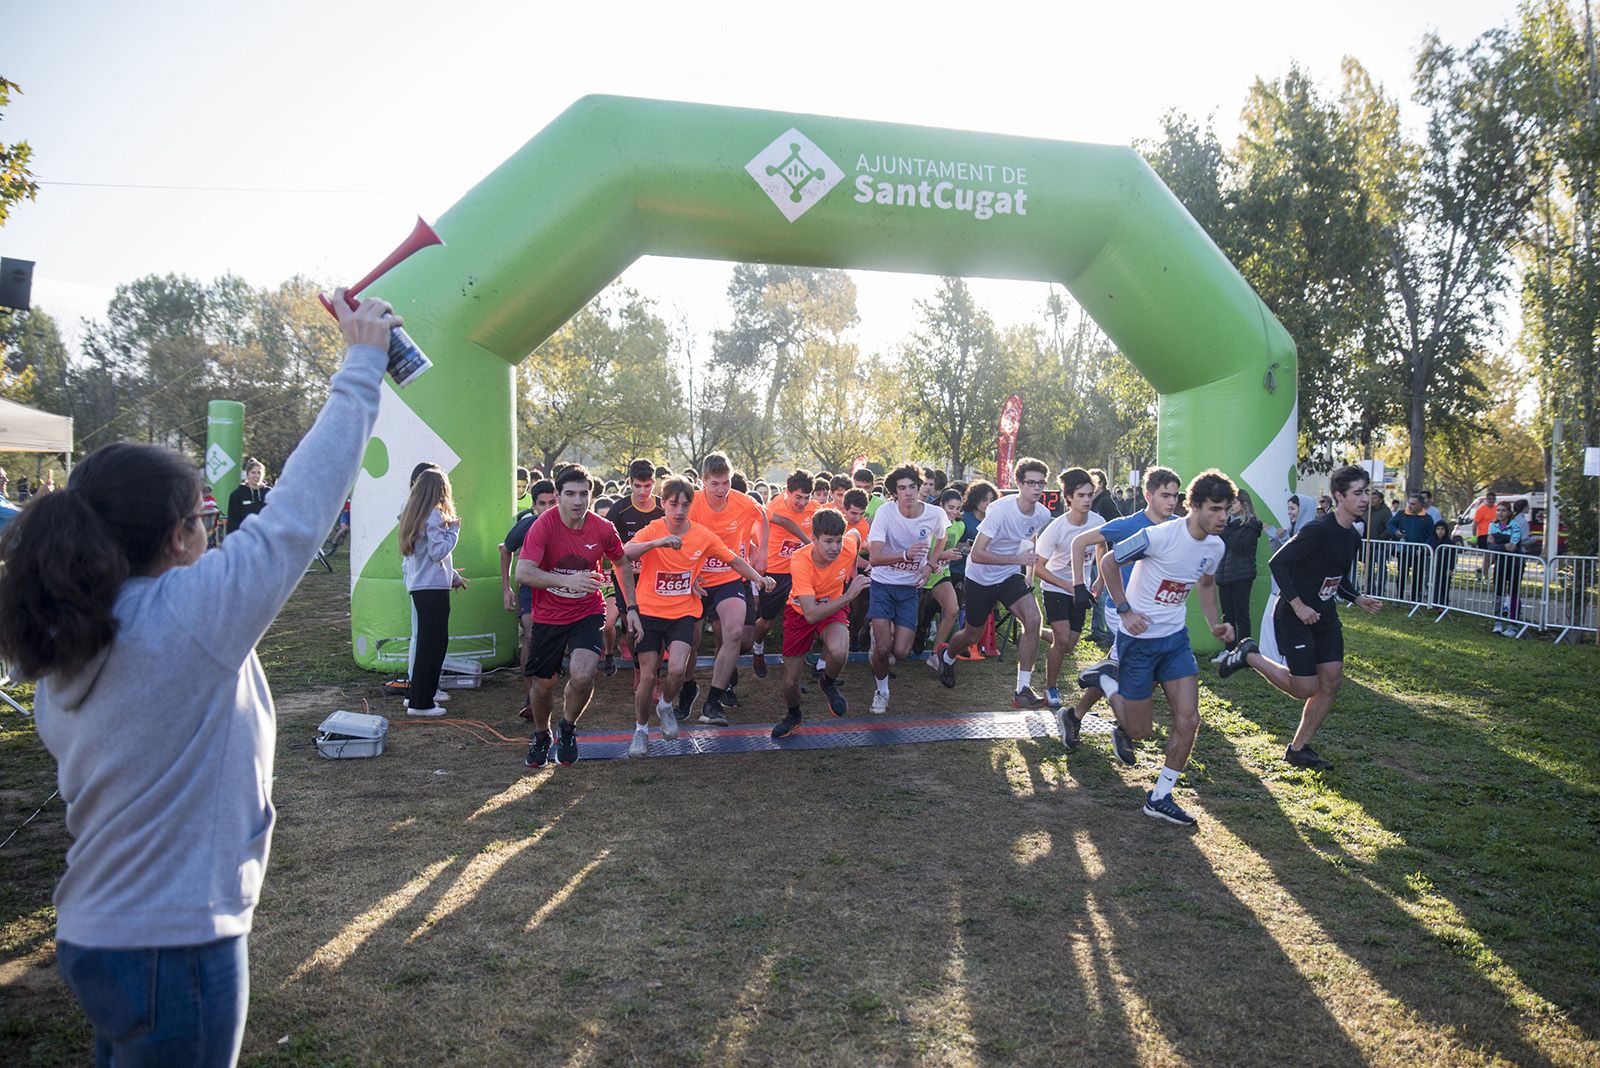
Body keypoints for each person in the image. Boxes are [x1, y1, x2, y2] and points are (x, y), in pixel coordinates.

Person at [0, 290, 391, 1066]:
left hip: (96, 935)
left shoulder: (68, 631)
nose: (214, 533)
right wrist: (362, 363)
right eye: (205, 520)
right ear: (180, 537)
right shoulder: (188, 620)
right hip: (173, 950)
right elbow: (298, 513)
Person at [1067, 471, 1235, 825]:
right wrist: (1125, 610)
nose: (1224, 517)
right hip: (1138, 642)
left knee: (1189, 720)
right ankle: (1107, 680)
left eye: (1227, 510)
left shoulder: (1216, 545)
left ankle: (1160, 796)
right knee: (1140, 732)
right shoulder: (1158, 536)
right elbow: (1110, 561)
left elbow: (1205, 583)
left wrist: (1213, 623)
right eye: (1216, 509)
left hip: (1174, 641)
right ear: (1196, 506)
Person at [1218, 464, 1383, 770]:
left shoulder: (1352, 537)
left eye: (1366, 492)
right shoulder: (1318, 530)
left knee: (1331, 682)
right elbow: (1278, 563)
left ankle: (1298, 748)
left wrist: (1357, 597)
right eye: (1358, 493)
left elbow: (1337, 578)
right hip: (1293, 615)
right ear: (1338, 496)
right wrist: (1297, 605)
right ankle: (1249, 655)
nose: (1364, 499)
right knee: (1305, 687)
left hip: (1325, 616)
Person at [625, 478, 773, 756]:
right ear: (663, 504)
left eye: (685, 504)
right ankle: (641, 730)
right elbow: (624, 552)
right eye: (673, 504)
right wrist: (657, 543)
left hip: (682, 612)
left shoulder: (702, 535)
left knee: (678, 670)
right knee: (647, 677)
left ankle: (667, 705)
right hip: (649, 614)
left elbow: (733, 559)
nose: (679, 510)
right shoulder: (653, 529)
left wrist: (758, 578)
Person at [516, 464, 637, 768]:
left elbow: (621, 563)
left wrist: (631, 607)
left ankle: (567, 729)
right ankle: (542, 735)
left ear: (591, 495)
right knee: (543, 686)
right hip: (549, 615)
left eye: (584, 494)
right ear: (557, 496)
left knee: (583, 676)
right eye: (570, 494)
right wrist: (566, 581)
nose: (577, 501)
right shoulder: (544, 525)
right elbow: (523, 571)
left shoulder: (602, 528)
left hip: (587, 610)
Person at [1064, 467, 1181, 752]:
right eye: (1165, 495)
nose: (1171, 501)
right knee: (1136, 670)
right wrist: (1081, 584)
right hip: (1123, 610)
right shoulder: (1129, 524)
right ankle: (1125, 728)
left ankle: (1075, 715)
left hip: (1156, 614)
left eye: (1176, 496)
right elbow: (1079, 542)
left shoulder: (1179, 525)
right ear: (1148, 495)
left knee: (1130, 673)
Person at [936, 458, 1052, 708]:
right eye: (1031, 483)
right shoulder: (1000, 510)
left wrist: (1028, 572)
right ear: (1019, 483)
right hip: (980, 576)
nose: (1036, 488)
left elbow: (1030, 536)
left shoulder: (1043, 513)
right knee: (972, 634)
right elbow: (977, 553)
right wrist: (1017, 558)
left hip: (1009, 575)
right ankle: (946, 655)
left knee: (1033, 620)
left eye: (1041, 483)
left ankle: (1023, 689)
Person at [772, 508, 872, 738]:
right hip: (801, 612)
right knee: (790, 682)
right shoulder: (800, 561)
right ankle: (794, 715)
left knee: (838, 651)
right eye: (828, 541)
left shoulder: (847, 545)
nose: (834, 547)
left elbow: (855, 536)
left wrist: (853, 568)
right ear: (814, 539)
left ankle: (827, 682)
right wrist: (849, 594)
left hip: (833, 607)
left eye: (838, 541)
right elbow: (810, 614)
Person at [688, 452, 769, 725]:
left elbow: (764, 518)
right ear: (703, 482)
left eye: (726, 483)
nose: (722, 490)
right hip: (696, 581)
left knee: (736, 635)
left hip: (730, 577)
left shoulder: (743, 503)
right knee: (693, 642)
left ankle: (712, 703)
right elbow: (676, 535)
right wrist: (689, 574)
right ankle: (687, 688)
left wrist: (763, 550)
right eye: (715, 484)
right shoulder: (692, 504)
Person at [866, 465, 949, 714]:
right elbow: (875, 558)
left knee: (901, 652)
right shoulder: (885, 513)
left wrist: (930, 565)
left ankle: (880, 645)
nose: (909, 492)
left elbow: (942, 537)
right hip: (882, 584)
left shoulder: (934, 514)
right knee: (882, 649)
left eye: (913, 486)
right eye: (902, 488)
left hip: (910, 588)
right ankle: (881, 690)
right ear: (894, 492)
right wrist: (904, 554)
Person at [1033, 467, 1104, 717]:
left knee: (1070, 645)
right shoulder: (1056, 529)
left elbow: (1101, 547)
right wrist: (1070, 586)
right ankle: (1051, 689)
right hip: (1056, 587)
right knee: (1062, 641)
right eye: (1081, 495)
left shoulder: (1097, 522)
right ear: (1069, 498)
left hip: (1081, 588)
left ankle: (1038, 632)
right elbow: (1037, 567)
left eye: (1089, 495)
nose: (1086, 500)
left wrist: (1100, 580)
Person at [399, 468, 467, 716]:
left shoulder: (414, 515)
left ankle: (415, 695)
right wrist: (454, 530)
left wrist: (454, 576)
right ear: (442, 490)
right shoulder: (435, 515)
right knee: (434, 645)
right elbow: (439, 552)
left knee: (426, 645)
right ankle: (422, 703)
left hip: (421, 586)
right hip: (433, 589)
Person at [750, 470, 818, 677]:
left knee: (808, 616)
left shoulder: (815, 509)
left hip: (801, 572)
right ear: (787, 492)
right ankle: (758, 647)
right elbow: (755, 534)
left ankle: (799, 657)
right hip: (776, 572)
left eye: (807, 497)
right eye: (798, 497)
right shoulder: (772, 508)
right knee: (768, 621)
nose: (802, 503)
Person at [603, 459, 666, 677]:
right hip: (625, 575)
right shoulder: (619, 510)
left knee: (657, 624)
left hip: (656, 575)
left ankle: (654, 673)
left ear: (654, 483)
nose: (642, 491)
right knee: (630, 622)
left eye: (647, 486)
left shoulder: (663, 506)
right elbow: (606, 544)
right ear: (629, 483)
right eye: (637, 486)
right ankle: (639, 670)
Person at [500, 478, 555, 713]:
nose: (548, 508)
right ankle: (530, 698)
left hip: (561, 590)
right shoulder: (527, 526)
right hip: (531, 590)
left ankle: (548, 687)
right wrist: (506, 588)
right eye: (542, 503)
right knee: (530, 635)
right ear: (534, 506)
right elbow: (505, 550)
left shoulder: (575, 523)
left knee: (551, 642)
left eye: (552, 502)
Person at [912, 488, 967, 661]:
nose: (954, 512)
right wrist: (944, 555)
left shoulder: (960, 525)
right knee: (913, 615)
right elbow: (921, 552)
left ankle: (936, 654)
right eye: (950, 507)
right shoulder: (930, 523)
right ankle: (916, 633)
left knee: (952, 609)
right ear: (941, 505)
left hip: (941, 573)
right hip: (919, 572)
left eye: (958, 508)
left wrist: (961, 551)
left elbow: (949, 549)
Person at [1214, 488, 1263, 656]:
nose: (1229, 507)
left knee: (1241, 615)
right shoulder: (1228, 524)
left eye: (1233, 503)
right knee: (1228, 615)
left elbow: (1240, 547)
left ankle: (1245, 652)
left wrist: (1225, 530)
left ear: (1244, 504)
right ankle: (1228, 650)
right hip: (1224, 574)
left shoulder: (1251, 524)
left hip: (1242, 575)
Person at [1386, 494, 1436, 602]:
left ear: (1420, 505)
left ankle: (1414, 599)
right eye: (1409, 503)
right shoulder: (1401, 514)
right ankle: (1399, 597)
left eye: (1413, 504)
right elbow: (1390, 524)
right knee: (1402, 575)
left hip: (1419, 553)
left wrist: (1424, 547)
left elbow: (1431, 535)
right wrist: (1396, 532)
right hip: (1404, 551)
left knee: (1417, 577)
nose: (1410, 506)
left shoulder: (1427, 518)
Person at [1488, 500, 1527, 636]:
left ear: (1509, 513)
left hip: (1515, 563)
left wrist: (1499, 542)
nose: (1500, 513)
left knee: (1513, 592)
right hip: (1500, 563)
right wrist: (1502, 545)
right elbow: (1489, 545)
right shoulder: (1492, 525)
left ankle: (1512, 625)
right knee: (1498, 592)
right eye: (1498, 510)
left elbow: (1512, 546)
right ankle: (1497, 622)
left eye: (1503, 510)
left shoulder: (1515, 526)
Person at [225, 458, 270, 535]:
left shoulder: (270, 493)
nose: (256, 476)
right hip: (245, 538)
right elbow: (232, 522)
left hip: (266, 537)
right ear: (247, 474)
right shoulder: (237, 494)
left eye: (259, 473)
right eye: (253, 472)